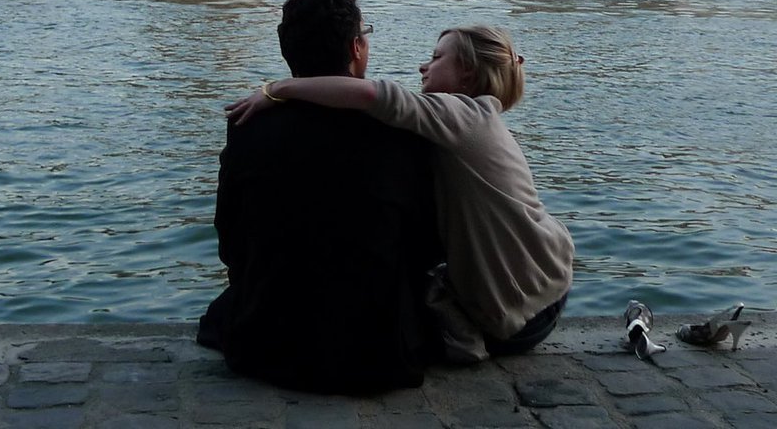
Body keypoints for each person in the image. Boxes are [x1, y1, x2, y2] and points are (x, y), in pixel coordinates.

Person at [226, 24, 574, 361]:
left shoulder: (460, 114)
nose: (424, 65)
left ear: (466, 74)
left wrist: (278, 89)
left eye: (437, 58)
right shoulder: (479, 119)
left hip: (520, 315)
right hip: (545, 286)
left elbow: (371, 94)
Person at [197, 0, 442, 394]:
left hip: (265, 344)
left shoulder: (246, 126)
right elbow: (426, 245)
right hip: (377, 352)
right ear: (355, 49)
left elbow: (231, 242)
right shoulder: (402, 130)